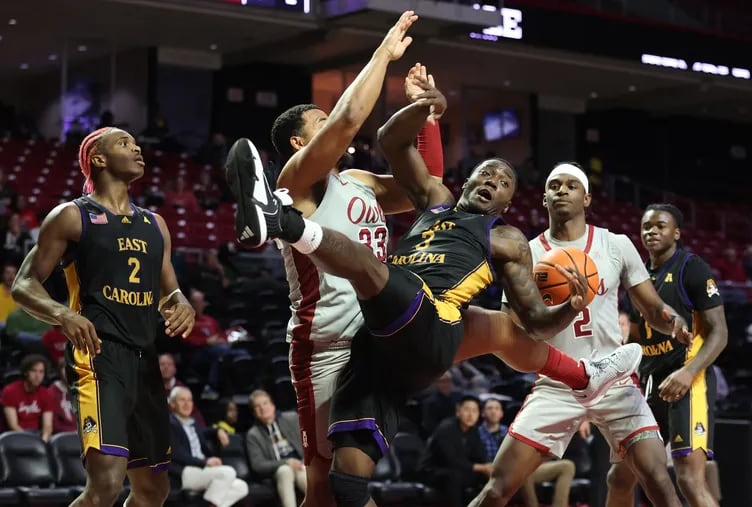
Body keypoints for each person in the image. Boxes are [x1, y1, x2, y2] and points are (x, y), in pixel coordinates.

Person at [227, 66, 643, 507]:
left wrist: (570, 308)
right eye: (486, 175)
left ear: (508, 201)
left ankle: (279, 221)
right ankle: (585, 375)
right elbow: (390, 140)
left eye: (504, 183)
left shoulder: (503, 236)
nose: (492, 183)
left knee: (392, 277)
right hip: (373, 344)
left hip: (427, 317)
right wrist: (426, 108)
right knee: (343, 484)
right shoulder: (431, 199)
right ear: (466, 183)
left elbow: (537, 321)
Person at [264, 14, 441, 507]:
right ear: (303, 143)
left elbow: (429, 192)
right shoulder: (296, 181)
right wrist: (383, 53)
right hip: (327, 344)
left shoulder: (359, 181)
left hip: (378, 338)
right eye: (318, 124)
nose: (335, 123)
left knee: (340, 486)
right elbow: (346, 120)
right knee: (323, 485)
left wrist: (425, 115)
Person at [468, 163, 691, 507]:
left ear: (586, 198)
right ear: (543, 198)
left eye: (571, 185)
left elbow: (652, 309)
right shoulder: (526, 251)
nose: (561, 190)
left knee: (657, 476)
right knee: (498, 488)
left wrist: (672, 319)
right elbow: (509, 326)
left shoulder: (614, 244)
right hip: (558, 382)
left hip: (613, 379)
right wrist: (547, 318)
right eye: (554, 185)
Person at [11, 127, 195, 507]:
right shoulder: (71, 216)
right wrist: (63, 315)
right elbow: (23, 284)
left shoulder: (155, 225)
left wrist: (182, 305)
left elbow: (170, 291)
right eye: (125, 143)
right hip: (99, 356)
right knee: (107, 484)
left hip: (145, 361)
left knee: (152, 490)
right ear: (98, 158)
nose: (138, 147)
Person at [606, 203, 728, 507]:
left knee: (689, 479)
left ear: (676, 232)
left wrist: (689, 373)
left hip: (689, 379)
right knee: (619, 476)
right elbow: (636, 333)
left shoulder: (691, 267)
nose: (652, 231)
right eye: (647, 226)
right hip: (650, 383)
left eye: (660, 226)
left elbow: (719, 332)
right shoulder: (638, 278)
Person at [168, 386, 249, 507]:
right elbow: (177, 454)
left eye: (189, 400)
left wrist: (218, 430)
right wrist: (205, 461)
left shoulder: (192, 423)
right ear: (172, 404)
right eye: (182, 400)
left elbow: (204, 431)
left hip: (201, 470)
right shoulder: (168, 423)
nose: (187, 404)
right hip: (183, 471)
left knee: (241, 487)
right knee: (228, 472)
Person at [420, 394, 491, 507]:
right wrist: (481, 467)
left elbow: (480, 455)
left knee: (488, 477)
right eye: (467, 409)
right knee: (454, 476)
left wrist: (490, 467)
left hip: (460, 470)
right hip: (433, 470)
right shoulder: (446, 428)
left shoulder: (473, 431)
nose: (470, 414)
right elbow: (450, 459)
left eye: (474, 411)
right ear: (458, 411)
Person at [246, 389, 307, 507]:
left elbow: (308, 441)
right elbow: (258, 465)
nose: (263, 408)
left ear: (273, 405)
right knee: (285, 471)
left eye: (265, 403)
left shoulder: (292, 418)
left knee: (303, 475)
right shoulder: (253, 434)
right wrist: (286, 462)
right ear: (254, 413)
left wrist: (305, 462)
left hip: (301, 464)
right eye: (257, 406)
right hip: (277, 471)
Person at [0, 354, 53, 440]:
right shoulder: (10, 391)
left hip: (37, 435)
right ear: (26, 372)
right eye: (34, 371)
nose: (37, 375)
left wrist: (44, 441)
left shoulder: (46, 393)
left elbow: (48, 426)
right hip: (13, 436)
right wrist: (29, 441)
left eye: (41, 372)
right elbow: (13, 425)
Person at [49, 357, 77, 434]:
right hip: (62, 436)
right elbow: (53, 423)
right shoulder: (52, 391)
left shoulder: (83, 390)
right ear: (60, 371)